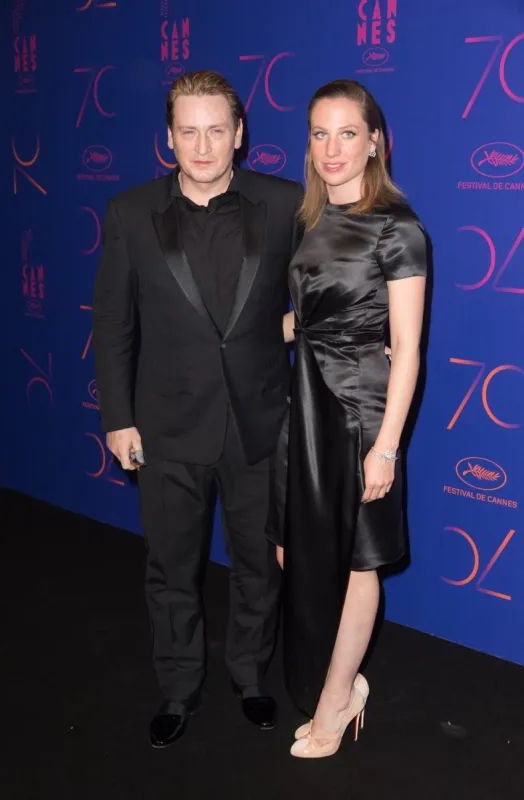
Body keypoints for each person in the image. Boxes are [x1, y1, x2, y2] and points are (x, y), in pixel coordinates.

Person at [92, 70, 303, 748]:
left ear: (240, 133)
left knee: (256, 565)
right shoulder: (129, 213)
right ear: (169, 139)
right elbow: (113, 324)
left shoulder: (287, 203)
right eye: (189, 131)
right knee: (171, 569)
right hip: (166, 427)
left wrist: (298, 325)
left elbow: (326, 287)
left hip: (258, 425)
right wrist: (117, 418)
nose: (204, 145)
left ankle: (250, 676)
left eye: (218, 130)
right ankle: (179, 687)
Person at [270, 79, 427, 758]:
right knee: (295, 550)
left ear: (374, 143)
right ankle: (336, 679)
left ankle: (338, 700)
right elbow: (308, 317)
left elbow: (409, 349)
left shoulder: (398, 228)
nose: (331, 149)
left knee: (360, 561)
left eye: (346, 133)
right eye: (318, 133)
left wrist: (387, 448)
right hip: (303, 407)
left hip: (362, 412)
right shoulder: (308, 221)